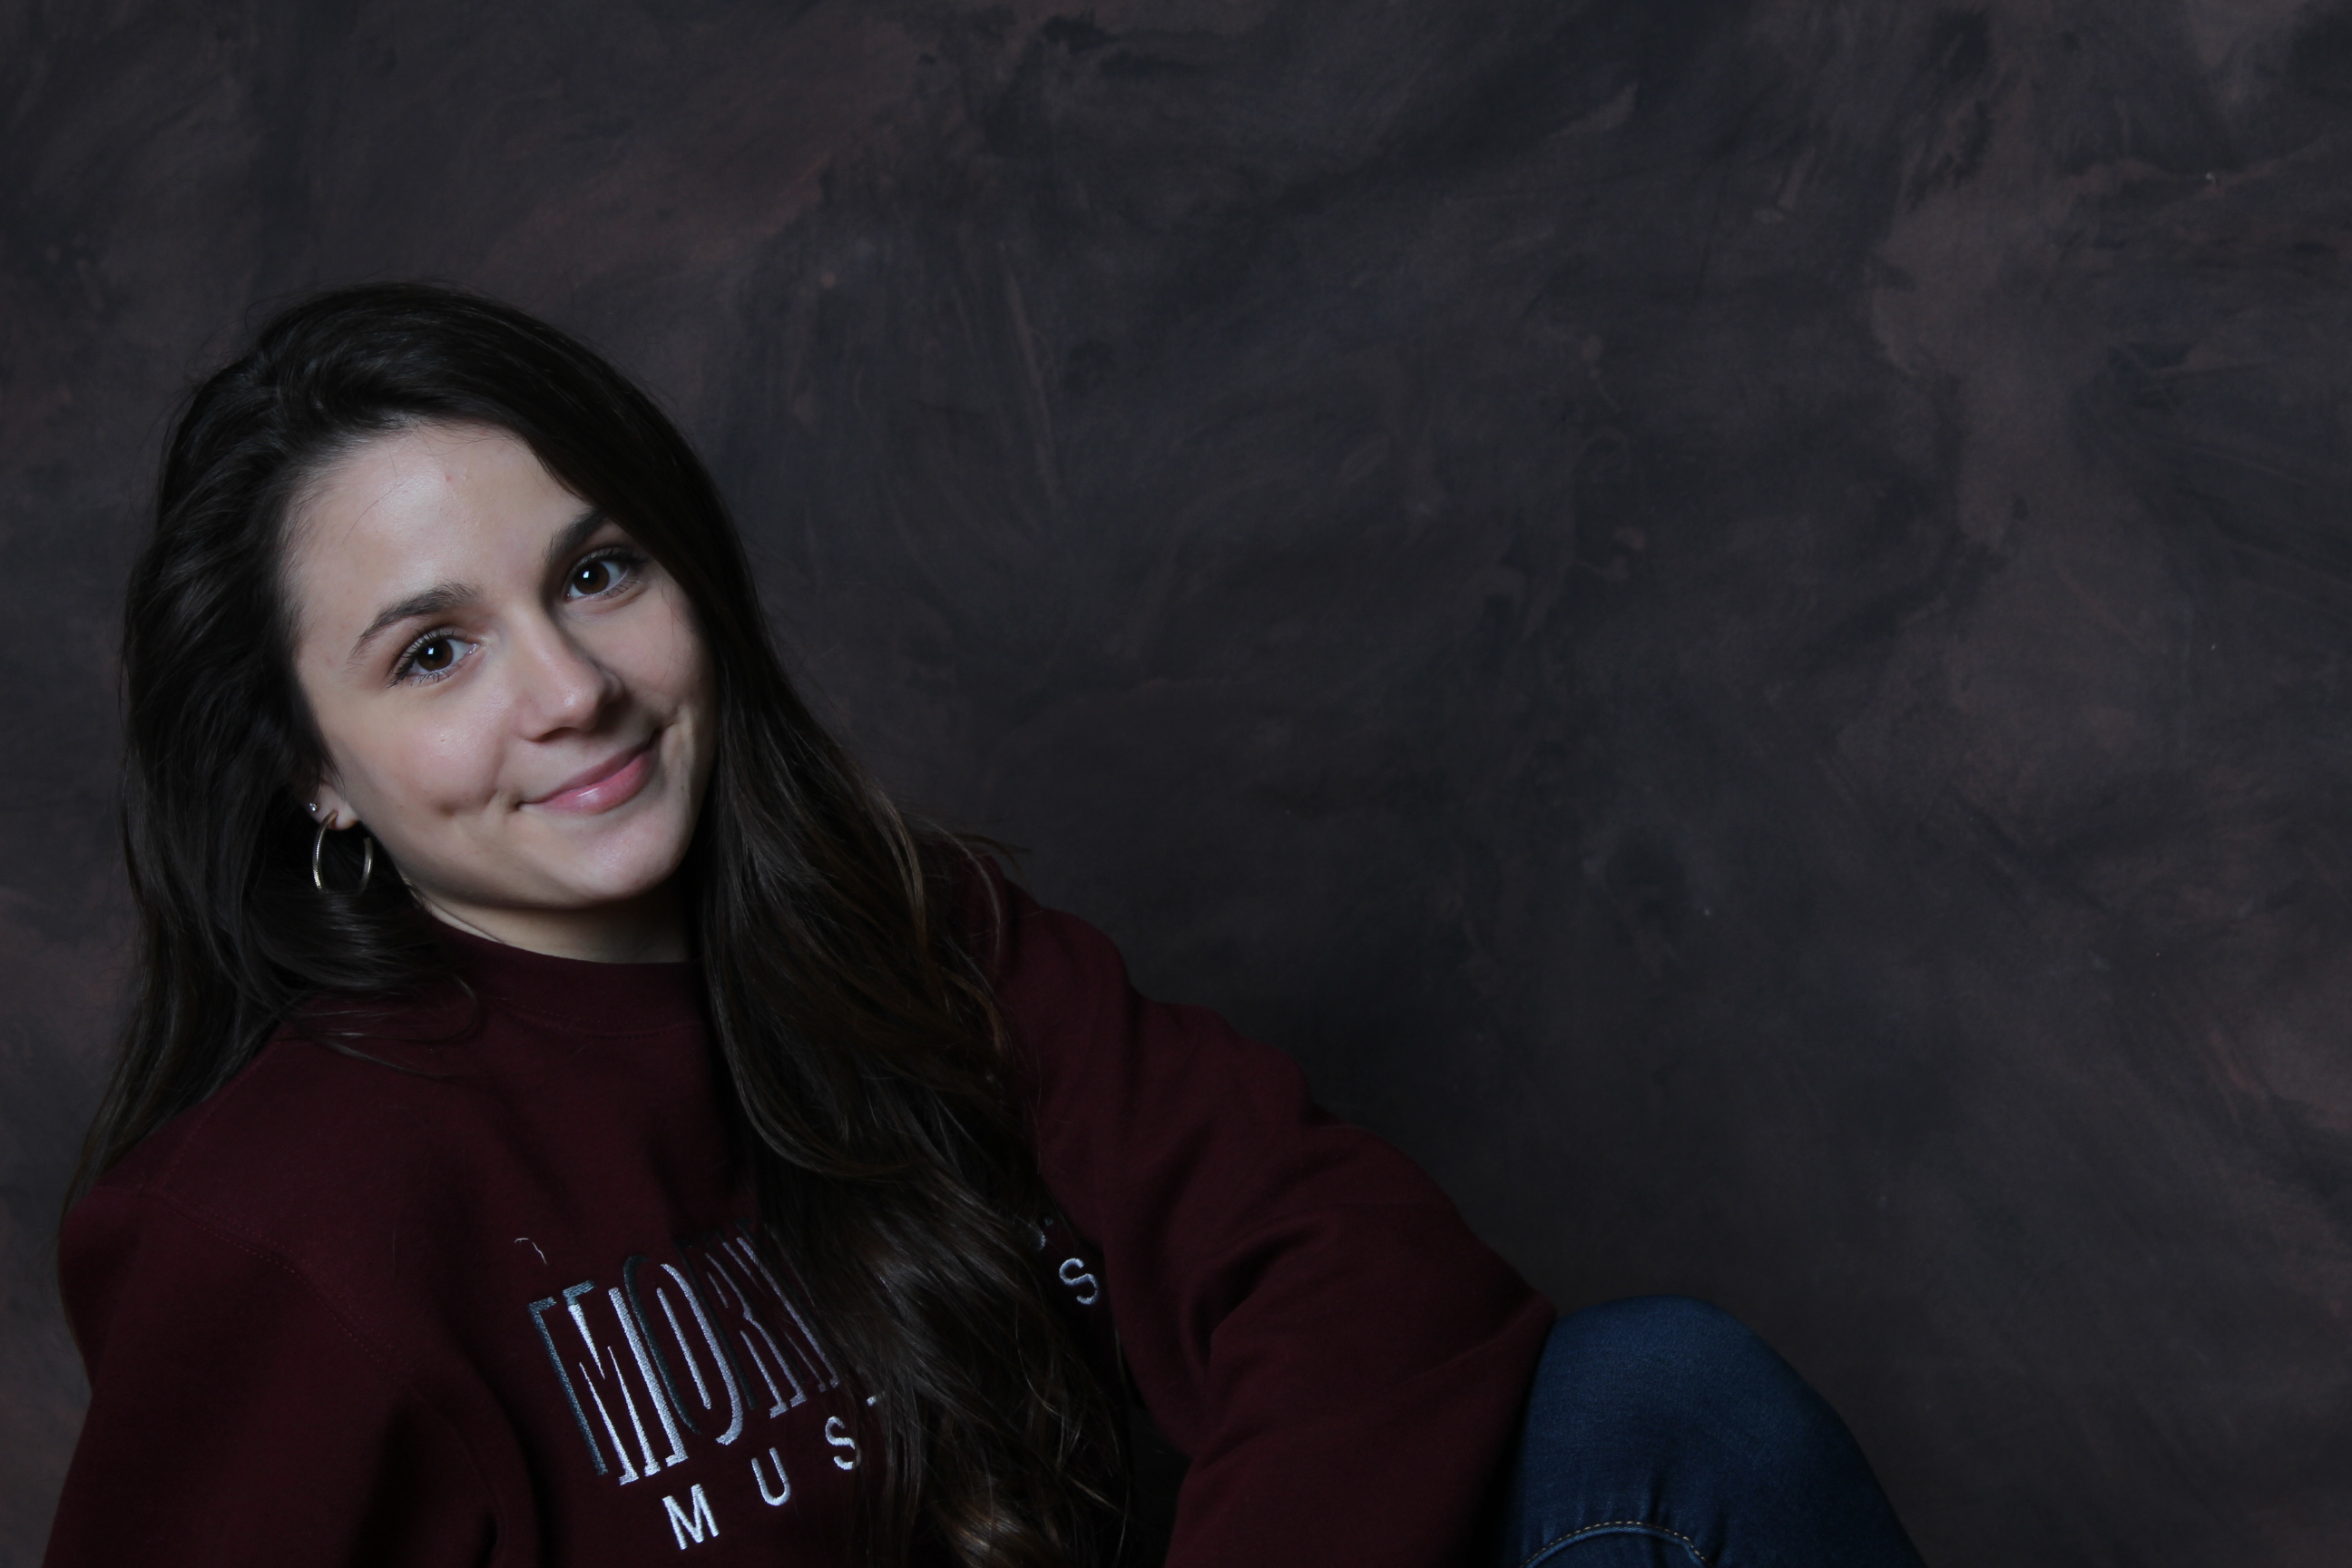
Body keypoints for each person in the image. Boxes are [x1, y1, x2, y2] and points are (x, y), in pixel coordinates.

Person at [44, 283, 1925, 1567]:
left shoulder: (911, 938)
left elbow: (1354, 1266)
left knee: (1665, 1410)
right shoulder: (276, 1225)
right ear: (312, 772)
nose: (570, 690)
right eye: (435, 653)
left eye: (598, 572)